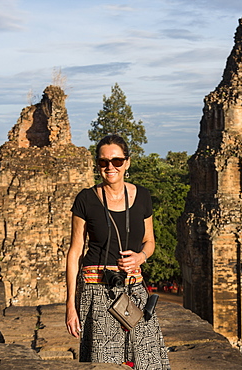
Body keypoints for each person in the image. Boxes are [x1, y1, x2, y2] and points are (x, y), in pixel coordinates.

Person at [65, 134, 170, 369]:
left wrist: (140, 257)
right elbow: (75, 253)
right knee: (105, 362)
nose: (110, 167)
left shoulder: (142, 196)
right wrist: (71, 305)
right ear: (98, 165)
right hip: (97, 290)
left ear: (127, 163)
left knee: (148, 359)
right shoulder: (85, 199)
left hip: (134, 289)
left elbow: (150, 241)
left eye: (117, 161)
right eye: (103, 162)